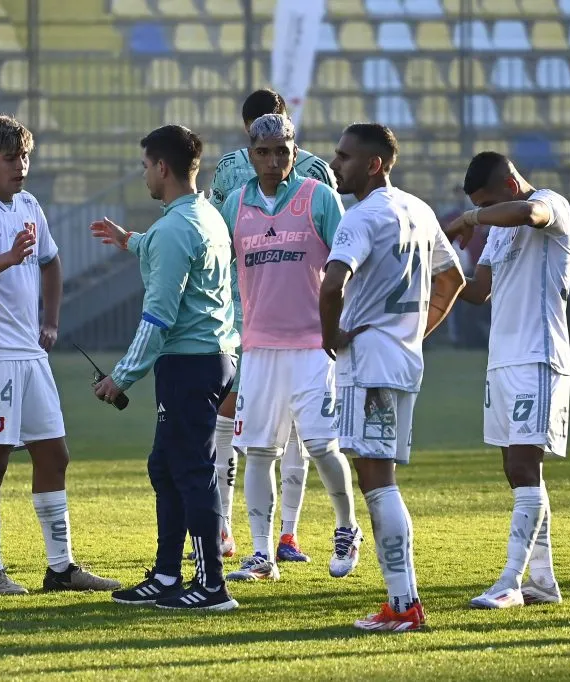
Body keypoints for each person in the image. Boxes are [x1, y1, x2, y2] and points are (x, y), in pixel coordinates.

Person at [0, 114, 119, 596]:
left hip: (27, 352)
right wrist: (9, 256)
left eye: (25, 156)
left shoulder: (29, 205)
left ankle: (61, 568)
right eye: (10, 158)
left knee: (54, 454)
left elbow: (51, 261)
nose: (20, 166)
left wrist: (50, 321)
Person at [320, 123, 465, 632]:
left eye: (344, 157)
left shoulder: (360, 217)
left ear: (374, 164)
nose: (336, 164)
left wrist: (329, 336)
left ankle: (404, 605)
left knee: (378, 481)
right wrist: (415, 331)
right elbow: (452, 278)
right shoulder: (420, 210)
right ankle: (402, 603)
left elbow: (332, 283)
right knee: (378, 477)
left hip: (368, 364)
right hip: (402, 361)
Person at [91, 124, 239, 611]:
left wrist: (121, 377)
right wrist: (130, 240)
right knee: (168, 466)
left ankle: (211, 584)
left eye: (145, 167)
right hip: (213, 357)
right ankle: (167, 574)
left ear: (162, 167)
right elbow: (173, 254)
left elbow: (158, 316)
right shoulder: (205, 215)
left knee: (191, 470)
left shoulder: (175, 228)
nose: (144, 176)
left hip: (188, 364)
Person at [219, 114, 360, 583]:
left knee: (321, 445)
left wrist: (340, 330)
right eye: (264, 152)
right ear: (250, 154)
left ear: (294, 152)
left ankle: (346, 527)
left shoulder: (319, 198)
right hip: (258, 348)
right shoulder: (235, 204)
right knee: (258, 452)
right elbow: (213, 263)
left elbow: (347, 264)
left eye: (283, 150)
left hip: (311, 347)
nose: (274, 160)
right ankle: (262, 555)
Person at [445, 152, 570, 610]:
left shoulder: (548, 204)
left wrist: (471, 218)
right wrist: (442, 261)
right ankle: (542, 581)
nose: (483, 218)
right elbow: (480, 291)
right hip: (502, 361)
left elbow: (528, 212)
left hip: (538, 357)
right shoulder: (499, 228)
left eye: (486, 204)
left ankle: (510, 582)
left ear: (509, 184)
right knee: (518, 472)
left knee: (524, 467)